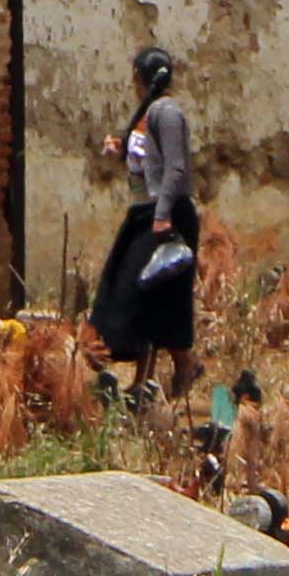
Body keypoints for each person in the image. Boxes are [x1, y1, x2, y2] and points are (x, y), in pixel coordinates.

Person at [89, 46, 198, 399]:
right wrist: (119, 150)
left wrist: (164, 215)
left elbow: (176, 167)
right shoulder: (146, 113)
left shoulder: (167, 112)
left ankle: (180, 367)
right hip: (144, 213)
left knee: (151, 294)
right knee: (144, 295)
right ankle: (146, 381)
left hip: (165, 214)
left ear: (140, 75)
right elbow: (143, 159)